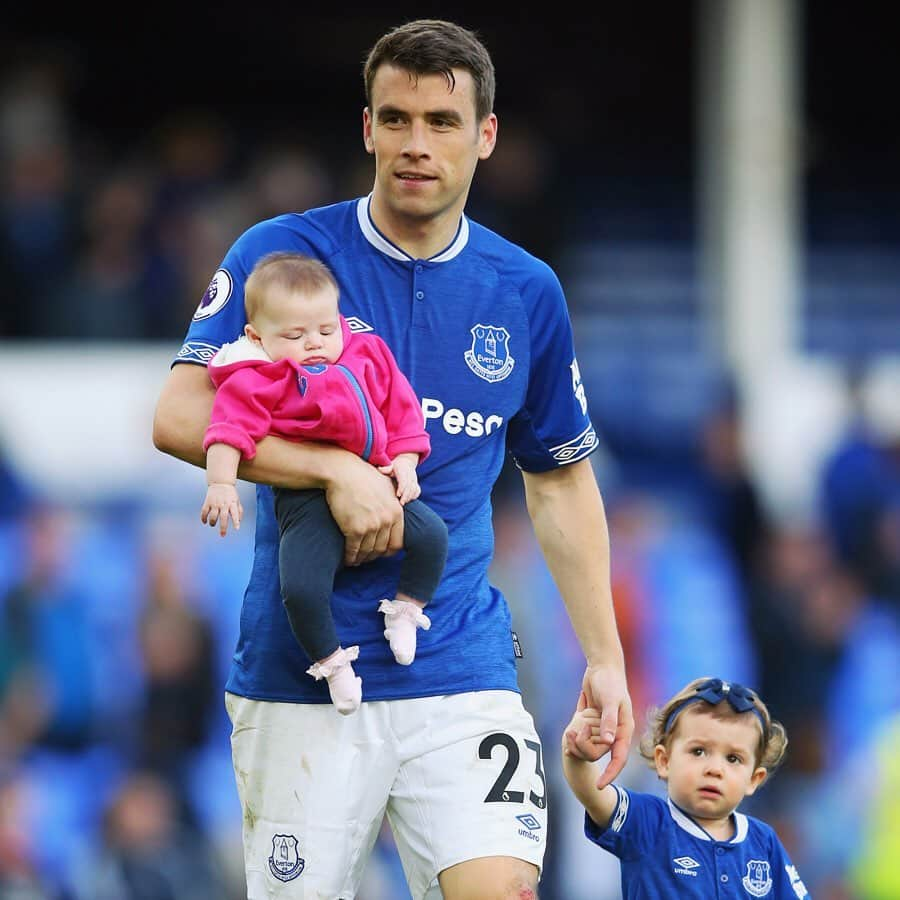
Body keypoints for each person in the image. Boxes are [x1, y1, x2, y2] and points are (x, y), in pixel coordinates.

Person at [152, 18, 632, 899]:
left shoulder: (526, 290)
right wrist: (333, 470)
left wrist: (604, 656)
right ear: (366, 127)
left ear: (485, 137)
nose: (417, 144)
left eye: (442, 122)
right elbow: (182, 415)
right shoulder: (284, 255)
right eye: (397, 118)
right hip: (302, 671)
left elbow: (559, 478)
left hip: (460, 664)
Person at [200, 251, 448, 714]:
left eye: (326, 330)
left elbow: (402, 412)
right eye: (294, 335)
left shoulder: (367, 355)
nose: (314, 343)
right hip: (306, 502)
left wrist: (407, 463)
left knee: (433, 535)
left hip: (378, 482)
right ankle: (332, 663)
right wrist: (221, 483)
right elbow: (227, 429)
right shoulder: (256, 377)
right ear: (257, 336)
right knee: (300, 587)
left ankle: (407, 609)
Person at [561, 677, 810, 899]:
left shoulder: (763, 841)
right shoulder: (647, 822)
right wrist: (576, 754)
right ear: (664, 760)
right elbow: (595, 794)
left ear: (754, 779)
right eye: (698, 751)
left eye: (733, 758)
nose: (715, 769)